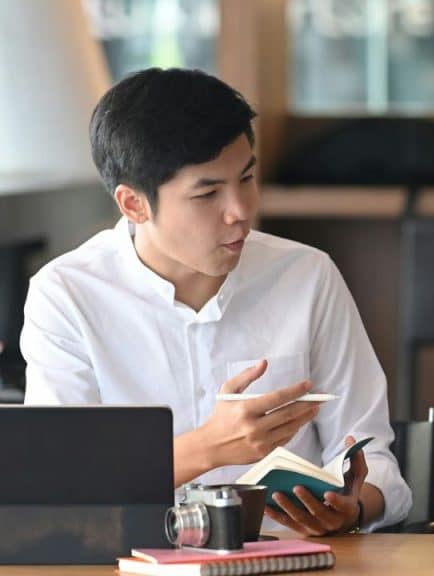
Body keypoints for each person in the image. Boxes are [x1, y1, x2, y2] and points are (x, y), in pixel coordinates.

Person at [20, 68, 410, 535]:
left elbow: (374, 459)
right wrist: (208, 448)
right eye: (207, 193)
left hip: (295, 564)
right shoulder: (66, 295)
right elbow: (60, 490)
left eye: (246, 178)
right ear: (133, 204)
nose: (241, 211)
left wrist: (356, 508)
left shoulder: (307, 275)